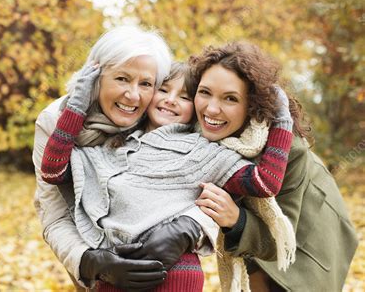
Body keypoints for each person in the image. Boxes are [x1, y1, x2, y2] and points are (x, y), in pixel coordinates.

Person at [40, 52, 294, 292]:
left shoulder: (207, 152)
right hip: (115, 273)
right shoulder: (113, 147)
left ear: (195, 107)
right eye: (163, 90)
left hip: (176, 275)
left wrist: (282, 121)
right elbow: (53, 170)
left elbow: (266, 182)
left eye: (184, 97)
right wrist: (78, 104)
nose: (171, 99)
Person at [33, 25, 206, 292]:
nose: (133, 95)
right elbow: (55, 215)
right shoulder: (55, 120)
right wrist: (91, 262)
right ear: (97, 75)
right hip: (92, 254)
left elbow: (213, 175)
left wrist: (190, 226)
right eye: (122, 79)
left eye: (146, 84)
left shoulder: (161, 115)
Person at [189, 42, 358, 291]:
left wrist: (235, 219)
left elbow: (277, 238)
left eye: (230, 98)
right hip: (259, 230)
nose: (211, 109)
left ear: (252, 106)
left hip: (308, 232)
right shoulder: (192, 132)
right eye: (205, 92)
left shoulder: (288, 151)